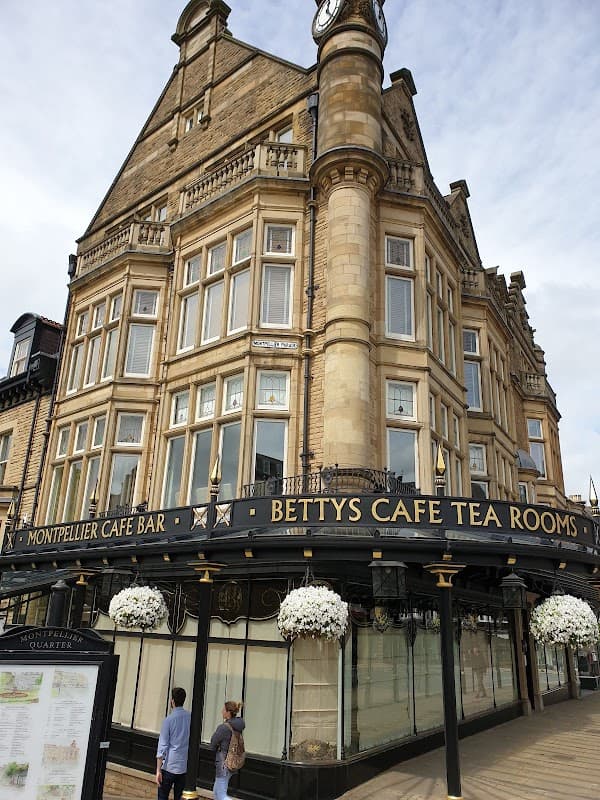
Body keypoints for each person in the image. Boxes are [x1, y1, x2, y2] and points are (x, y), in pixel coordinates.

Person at [156, 687, 191, 800]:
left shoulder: (169, 720)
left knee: (162, 796)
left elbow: (163, 746)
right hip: (183, 766)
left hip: (169, 766)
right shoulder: (190, 717)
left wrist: (158, 770)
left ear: (172, 701)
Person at [210, 700, 245, 800]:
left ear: (228, 712)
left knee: (221, 795)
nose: (222, 711)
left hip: (223, 763)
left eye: (223, 710)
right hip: (232, 761)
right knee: (217, 791)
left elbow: (213, 742)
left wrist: (215, 748)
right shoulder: (238, 726)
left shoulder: (223, 728)